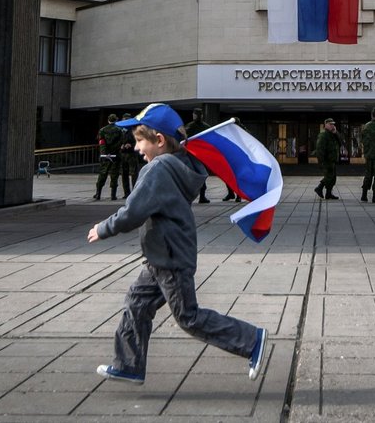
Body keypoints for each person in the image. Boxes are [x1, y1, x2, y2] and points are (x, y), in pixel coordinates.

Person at [87, 103, 267, 385]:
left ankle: (251, 339)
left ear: (159, 141)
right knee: (137, 303)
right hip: (162, 255)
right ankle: (129, 365)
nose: (136, 148)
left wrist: (103, 228)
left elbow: (133, 212)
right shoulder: (178, 165)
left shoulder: (158, 169)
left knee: (188, 317)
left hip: (169, 258)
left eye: (139, 140)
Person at [184, 108, 212, 203]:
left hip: (195, 155)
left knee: (199, 175)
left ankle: (200, 196)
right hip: (196, 155)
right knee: (200, 175)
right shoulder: (204, 126)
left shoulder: (190, 126)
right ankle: (200, 196)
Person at [94, 113, 123, 200]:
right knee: (114, 175)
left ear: (108, 120)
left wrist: (104, 153)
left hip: (105, 155)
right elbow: (121, 142)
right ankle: (113, 195)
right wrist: (114, 150)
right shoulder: (119, 130)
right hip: (116, 155)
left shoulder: (102, 130)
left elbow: (101, 142)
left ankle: (98, 194)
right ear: (116, 120)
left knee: (103, 174)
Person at [314, 118, 342, 200]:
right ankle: (319, 188)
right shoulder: (323, 135)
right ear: (325, 125)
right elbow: (320, 149)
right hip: (327, 160)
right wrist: (321, 161)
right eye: (330, 124)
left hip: (332, 159)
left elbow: (340, 142)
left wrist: (336, 133)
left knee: (332, 178)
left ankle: (328, 193)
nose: (332, 126)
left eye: (333, 124)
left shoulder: (332, 134)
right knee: (329, 176)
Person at [119, 112, 139, 197]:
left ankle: (135, 192)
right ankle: (126, 193)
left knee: (134, 174)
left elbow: (139, 142)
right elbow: (116, 142)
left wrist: (131, 145)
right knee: (124, 174)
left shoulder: (134, 130)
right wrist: (121, 145)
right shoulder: (120, 131)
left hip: (132, 154)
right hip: (123, 155)